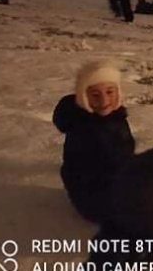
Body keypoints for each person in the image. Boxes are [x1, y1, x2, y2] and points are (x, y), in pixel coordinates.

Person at [53, 61, 135, 223]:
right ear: (84, 96)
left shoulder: (115, 117)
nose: (104, 101)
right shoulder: (84, 128)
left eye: (109, 92)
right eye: (95, 95)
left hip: (117, 184)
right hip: (94, 198)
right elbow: (94, 173)